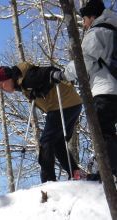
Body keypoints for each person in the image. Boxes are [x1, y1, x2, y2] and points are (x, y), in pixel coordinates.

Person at [52, 0, 117, 178]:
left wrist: (63, 74)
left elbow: (84, 63)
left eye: (85, 19)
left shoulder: (96, 33)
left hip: (105, 89)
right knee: (109, 131)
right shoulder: (113, 28)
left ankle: (110, 173)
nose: (84, 24)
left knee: (103, 131)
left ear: (92, 16)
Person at [0, 62, 83, 183]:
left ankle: (48, 180)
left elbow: (49, 72)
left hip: (62, 105)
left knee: (46, 141)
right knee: (57, 143)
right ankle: (75, 173)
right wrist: (42, 89)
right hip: (72, 104)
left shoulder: (27, 77)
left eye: (2, 83)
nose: (2, 88)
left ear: (9, 78)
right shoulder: (23, 81)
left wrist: (46, 84)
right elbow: (45, 81)